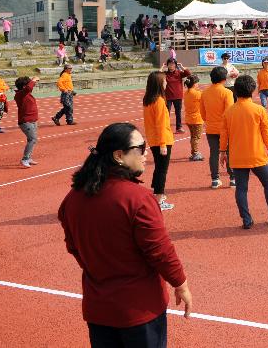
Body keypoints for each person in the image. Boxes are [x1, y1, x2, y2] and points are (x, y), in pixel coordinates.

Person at [58, 123, 192, 346]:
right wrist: (181, 284)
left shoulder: (72, 199)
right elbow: (160, 251)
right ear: (119, 155)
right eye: (140, 148)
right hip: (140, 310)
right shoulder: (137, 199)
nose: (145, 152)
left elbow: (73, 246)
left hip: (99, 308)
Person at [219, 75, 268, 229]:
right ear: (253, 90)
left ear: (235, 91)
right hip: (258, 156)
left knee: (241, 189)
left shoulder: (229, 112)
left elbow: (223, 135)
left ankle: (247, 219)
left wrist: (222, 152)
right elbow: (266, 133)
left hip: (237, 157)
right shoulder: (259, 110)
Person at [142, 71, 175, 211]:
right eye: (164, 81)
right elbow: (161, 124)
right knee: (162, 170)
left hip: (153, 139)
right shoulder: (160, 101)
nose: (166, 83)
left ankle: (157, 193)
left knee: (158, 167)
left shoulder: (148, 99)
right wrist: (163, 144)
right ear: (159, 84)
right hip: (162, 139)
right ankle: (159, 199)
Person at [201, 66, 236, 189]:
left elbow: (202, 113)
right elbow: (229, 113)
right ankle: (232, 178)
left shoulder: (204, 93)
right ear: (224, 78)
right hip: (225, 128)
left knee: (214, 153)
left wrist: (210, 120)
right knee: (229, 152)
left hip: (211, 128)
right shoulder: (227, 92)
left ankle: (215, 179)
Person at [14, 76, 40, 168]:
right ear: (24, 86)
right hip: (26, 122)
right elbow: (29, 87)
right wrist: (33, 80)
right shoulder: (20, 94)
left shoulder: (27, 93)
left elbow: (29, 88)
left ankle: (28, 157)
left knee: (31, 140)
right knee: (33, 139)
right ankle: (24, 159)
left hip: (32, 120)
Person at [160, 59, 190, 134]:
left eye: (173, 64)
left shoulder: (179, 73)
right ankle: (165, 128)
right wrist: (162, 67)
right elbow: (157, 74)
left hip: (178, 96)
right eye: (169, 64)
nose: (171, 65)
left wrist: (182, 66)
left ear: (175, 65)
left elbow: (188, 73)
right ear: (167, 65)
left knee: (178, 113)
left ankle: (178, 128)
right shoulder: (165, 74)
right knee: (167, 113)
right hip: (168, 97)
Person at [183, 75, 204, 162]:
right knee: (196, 137)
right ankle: (195, 153)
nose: (198, 85)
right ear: (194, 84)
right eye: (197, 83)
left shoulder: (187, 93)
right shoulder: (197, 93)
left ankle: (193, 152)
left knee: (193, 136)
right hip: (196, 119)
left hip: (189, 118)